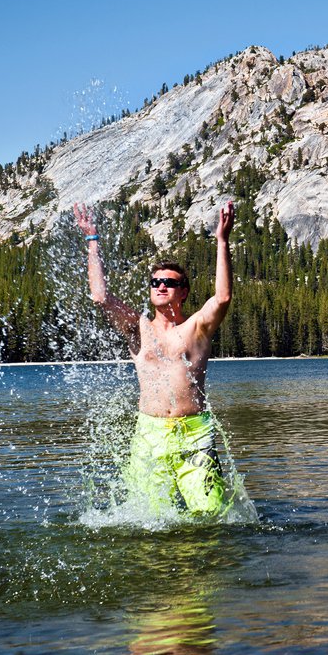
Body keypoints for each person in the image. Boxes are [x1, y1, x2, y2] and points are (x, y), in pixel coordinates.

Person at [72, 200, 236, 517]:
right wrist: (92, 241)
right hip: (150, 435)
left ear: (184, 292)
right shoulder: (138, 327)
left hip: (195, 434)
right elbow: (100, 297)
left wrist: (222, 241)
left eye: (170, 282)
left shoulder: (197, 328)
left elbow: (223, 297)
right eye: (156, 282)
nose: (161, 286)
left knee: (212, 514)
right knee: (147, 517)